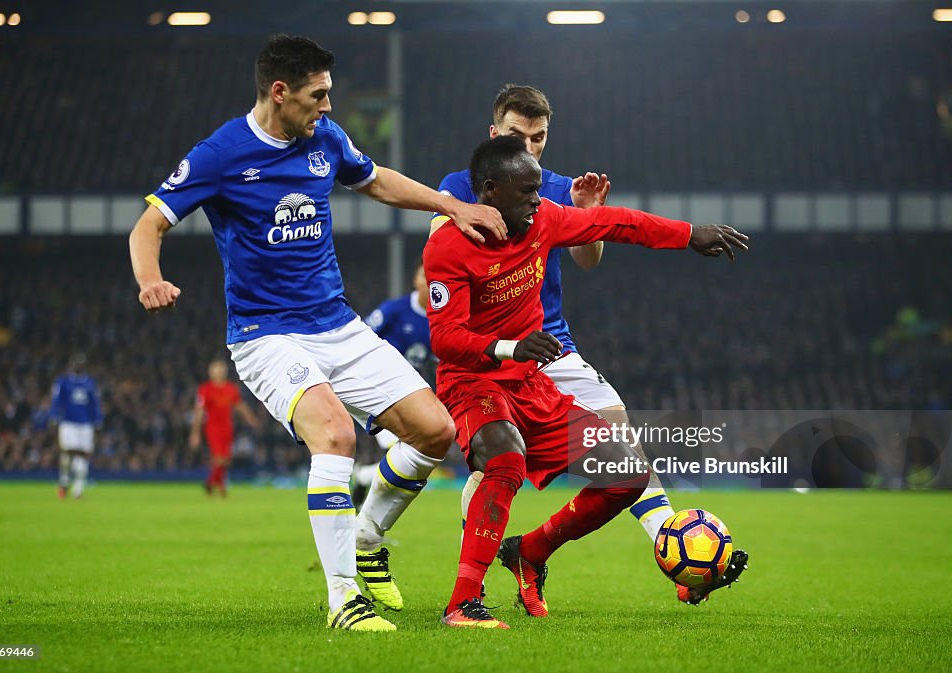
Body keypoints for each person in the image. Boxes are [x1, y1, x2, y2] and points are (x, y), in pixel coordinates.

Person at [128, 34, 506, 632]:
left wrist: (451, 206)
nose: (328, 106)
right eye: (317, 95)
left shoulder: (323, 138)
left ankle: (367, 537)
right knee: (334, 436)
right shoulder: (220, 154)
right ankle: (343, 600)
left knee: (435, 431)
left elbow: (376, 179)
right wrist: (151, 279)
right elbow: (148, 224)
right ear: (280, 93)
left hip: (336, 322)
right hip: (265, 333)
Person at [431, 84, 746, 605]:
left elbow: (617, 225)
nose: (538, 195)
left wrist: (689, 233)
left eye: (540, 140)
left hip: (546, 355)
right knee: (490, 460)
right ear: (487, 187)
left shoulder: (547, 206)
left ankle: (542, 552)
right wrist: (507, 346)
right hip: (480, 365)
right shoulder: (452, 212)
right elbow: (446, 332)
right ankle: (453, 587)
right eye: (519, 139)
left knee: (625, 461)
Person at [352, 263, 434, 507]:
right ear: (416, 281)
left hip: (408, 393)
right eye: (425, 277)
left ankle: (365, 477)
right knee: (402, 448)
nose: (430, 284)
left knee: (415, 451)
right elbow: (360, 336)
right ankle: (367, 524)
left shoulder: (439, 320)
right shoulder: (394, 310)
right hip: (377, 389)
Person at [189, 359, 261, 496]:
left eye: (222, 370)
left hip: (227, 427)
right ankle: (215, 485)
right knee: (219, 458)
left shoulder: (231, 389)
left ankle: (214, 484)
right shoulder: (205, 389)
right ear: (211, 373)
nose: (219, 373)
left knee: (226, 460)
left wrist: (251, 419)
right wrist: (195, 433)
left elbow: (240, 406)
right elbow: (199, 412)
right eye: (216, 370)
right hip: (213, 427)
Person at [50, 353, 102, 500]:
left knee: (84, 455)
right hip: (69, 423)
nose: (78, 366)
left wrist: (97, 420)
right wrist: (54, 417)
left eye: (81, 363)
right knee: (68, 452)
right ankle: (64, 480)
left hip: (86, 424)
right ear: (71, 365)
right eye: (75, 363)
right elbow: (56, 401)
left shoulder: (90, 383)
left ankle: (78, 490)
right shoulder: (63, 382)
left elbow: (94, 404)